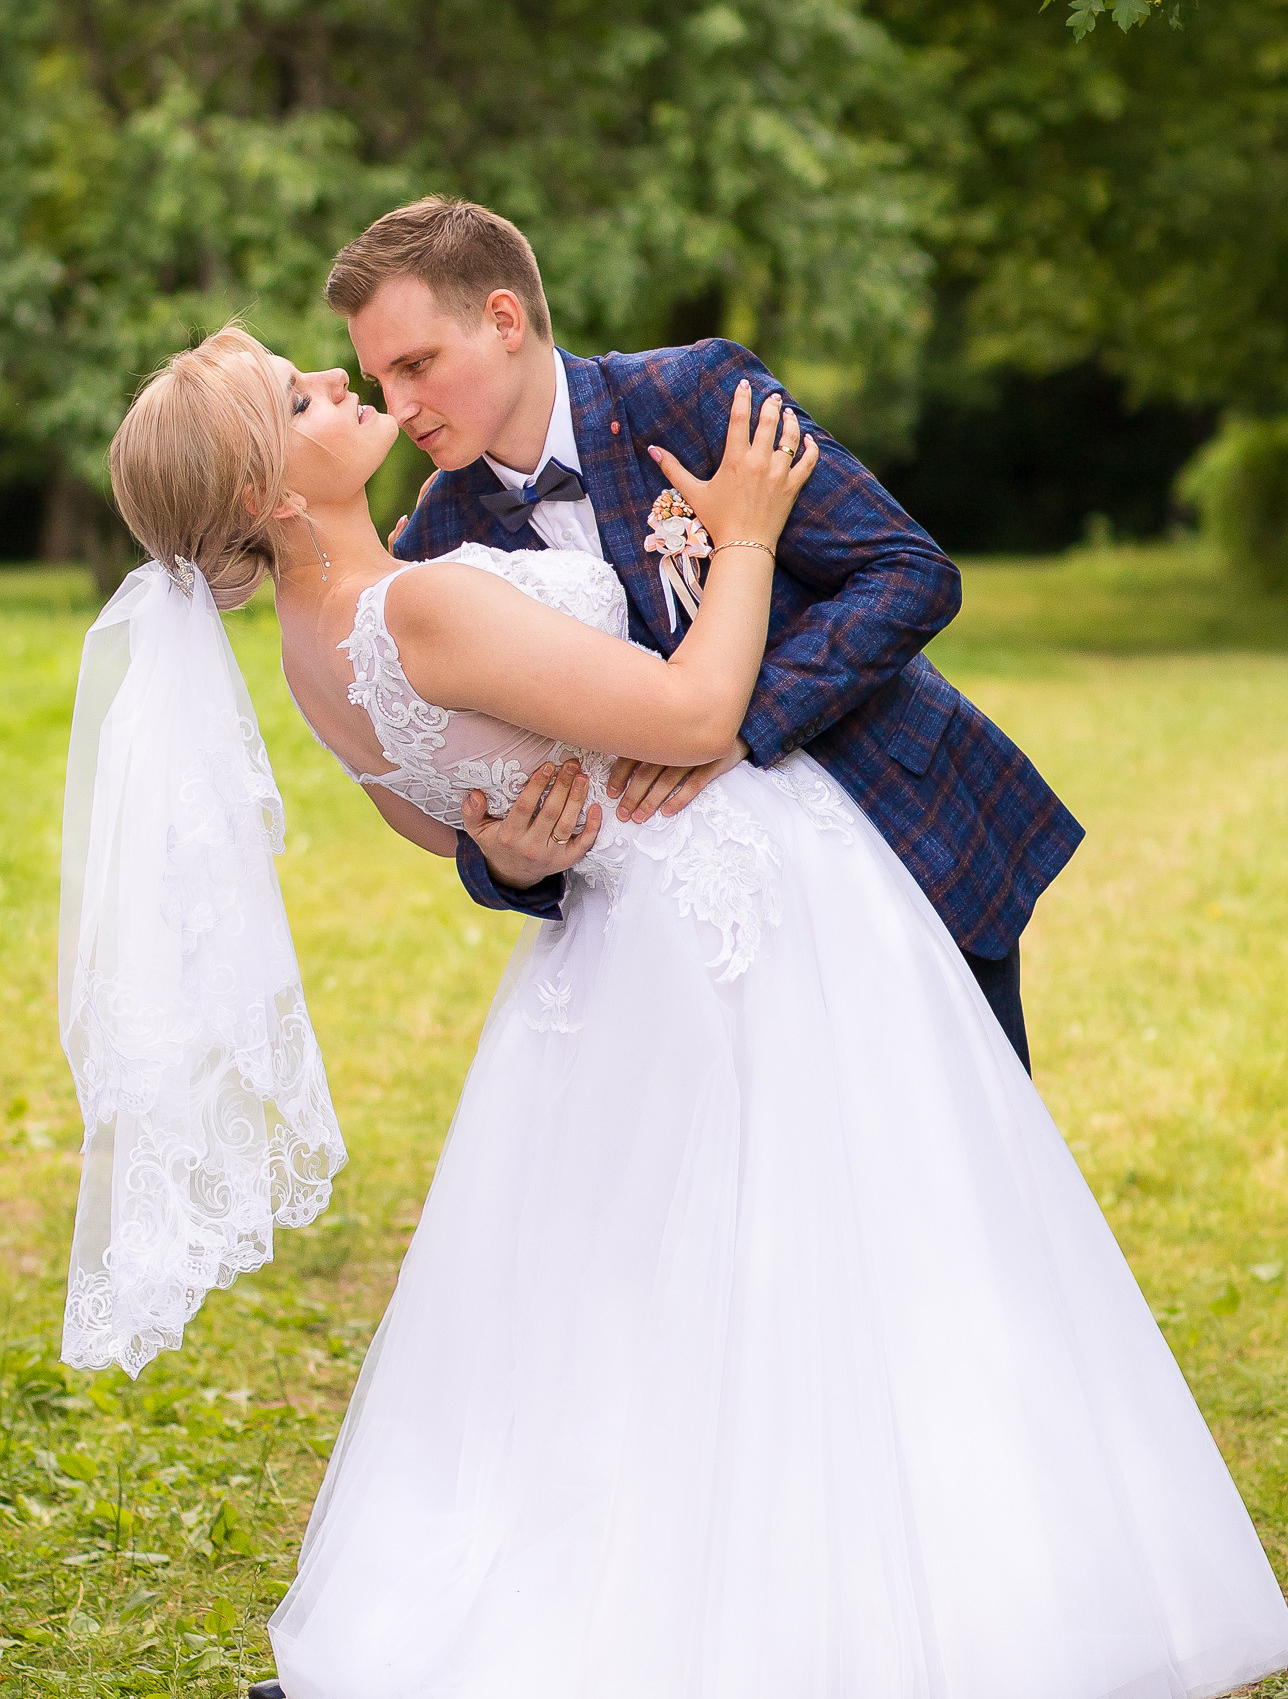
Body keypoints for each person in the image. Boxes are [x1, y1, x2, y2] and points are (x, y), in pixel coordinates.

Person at [80, 316, 1288, 1699]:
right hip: (725, 937)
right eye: (311, 397)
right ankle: (893, 1681)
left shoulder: (323, 645)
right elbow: (695, 719)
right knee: (840, 1273)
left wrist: (511, 844)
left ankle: (916, 1647)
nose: (352, 392)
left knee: (698, 1314)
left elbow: (437, 815)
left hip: (634, 954)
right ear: (260, 481)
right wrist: (738, 542)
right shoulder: (428, 591)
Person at [324, 196, 1080, 1074]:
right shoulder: (438, 549)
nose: (401, 405)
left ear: (502, 320)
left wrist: (731, 727)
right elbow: (464, 778)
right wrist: (505, 864)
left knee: (955, 1165)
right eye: (381, 380)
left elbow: (907, 573)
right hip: (697, 943)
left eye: (417, 363)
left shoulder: (691, 397)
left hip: (892, 833)